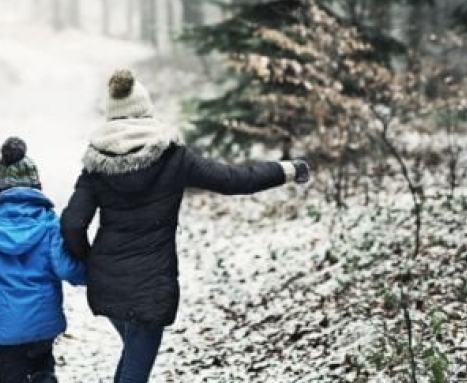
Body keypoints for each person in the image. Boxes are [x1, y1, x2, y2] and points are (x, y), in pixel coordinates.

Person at [60, 69, 311, 383]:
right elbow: (233, 180)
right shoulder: (173, 158)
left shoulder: (95, 165)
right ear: (145, 108)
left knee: (134, 354)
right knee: (137, 364)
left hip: (107, 281)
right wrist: (287, 170)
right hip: (152, 283)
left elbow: (72, 223)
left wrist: (88, 260)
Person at [0, 138, 86, 383]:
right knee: (42, 365)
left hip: (5, 329)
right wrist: (91, 271)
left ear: (1, 189)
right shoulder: (50, 225)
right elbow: (66, 268)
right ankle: (44, 376)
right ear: (37, 186)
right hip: (43, 323)